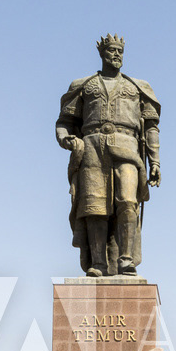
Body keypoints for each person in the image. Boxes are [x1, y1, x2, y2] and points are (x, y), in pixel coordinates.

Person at [56, 34, 161, 277]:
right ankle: (99, 264)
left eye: (119, 51)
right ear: (102, 53)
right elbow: (64, 122)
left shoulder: (137, 87)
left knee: (128, 201)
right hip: (91, 149)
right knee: (95, 207)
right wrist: (66, 139)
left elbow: (151, 127)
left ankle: (126, 259)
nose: (116, 55)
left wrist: (155, 161)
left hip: (127, 147)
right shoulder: (84, 86)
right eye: (112, 51)